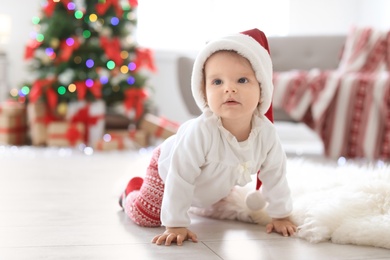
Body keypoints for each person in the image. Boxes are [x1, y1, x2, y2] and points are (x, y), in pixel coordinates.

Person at [119, 28, 297, 246]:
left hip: (211, 184)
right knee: (148, 215)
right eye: (217, 82)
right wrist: (176, 224)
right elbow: (181, 176)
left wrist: (280, 215)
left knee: (221, 205)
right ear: (203, 91)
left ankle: (201, 199)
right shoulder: (202, 131)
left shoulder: (266, 134)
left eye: (241, 80)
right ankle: (130, 190)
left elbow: (275, 174)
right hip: (167, 172)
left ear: (262, 87)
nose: (229, 89)